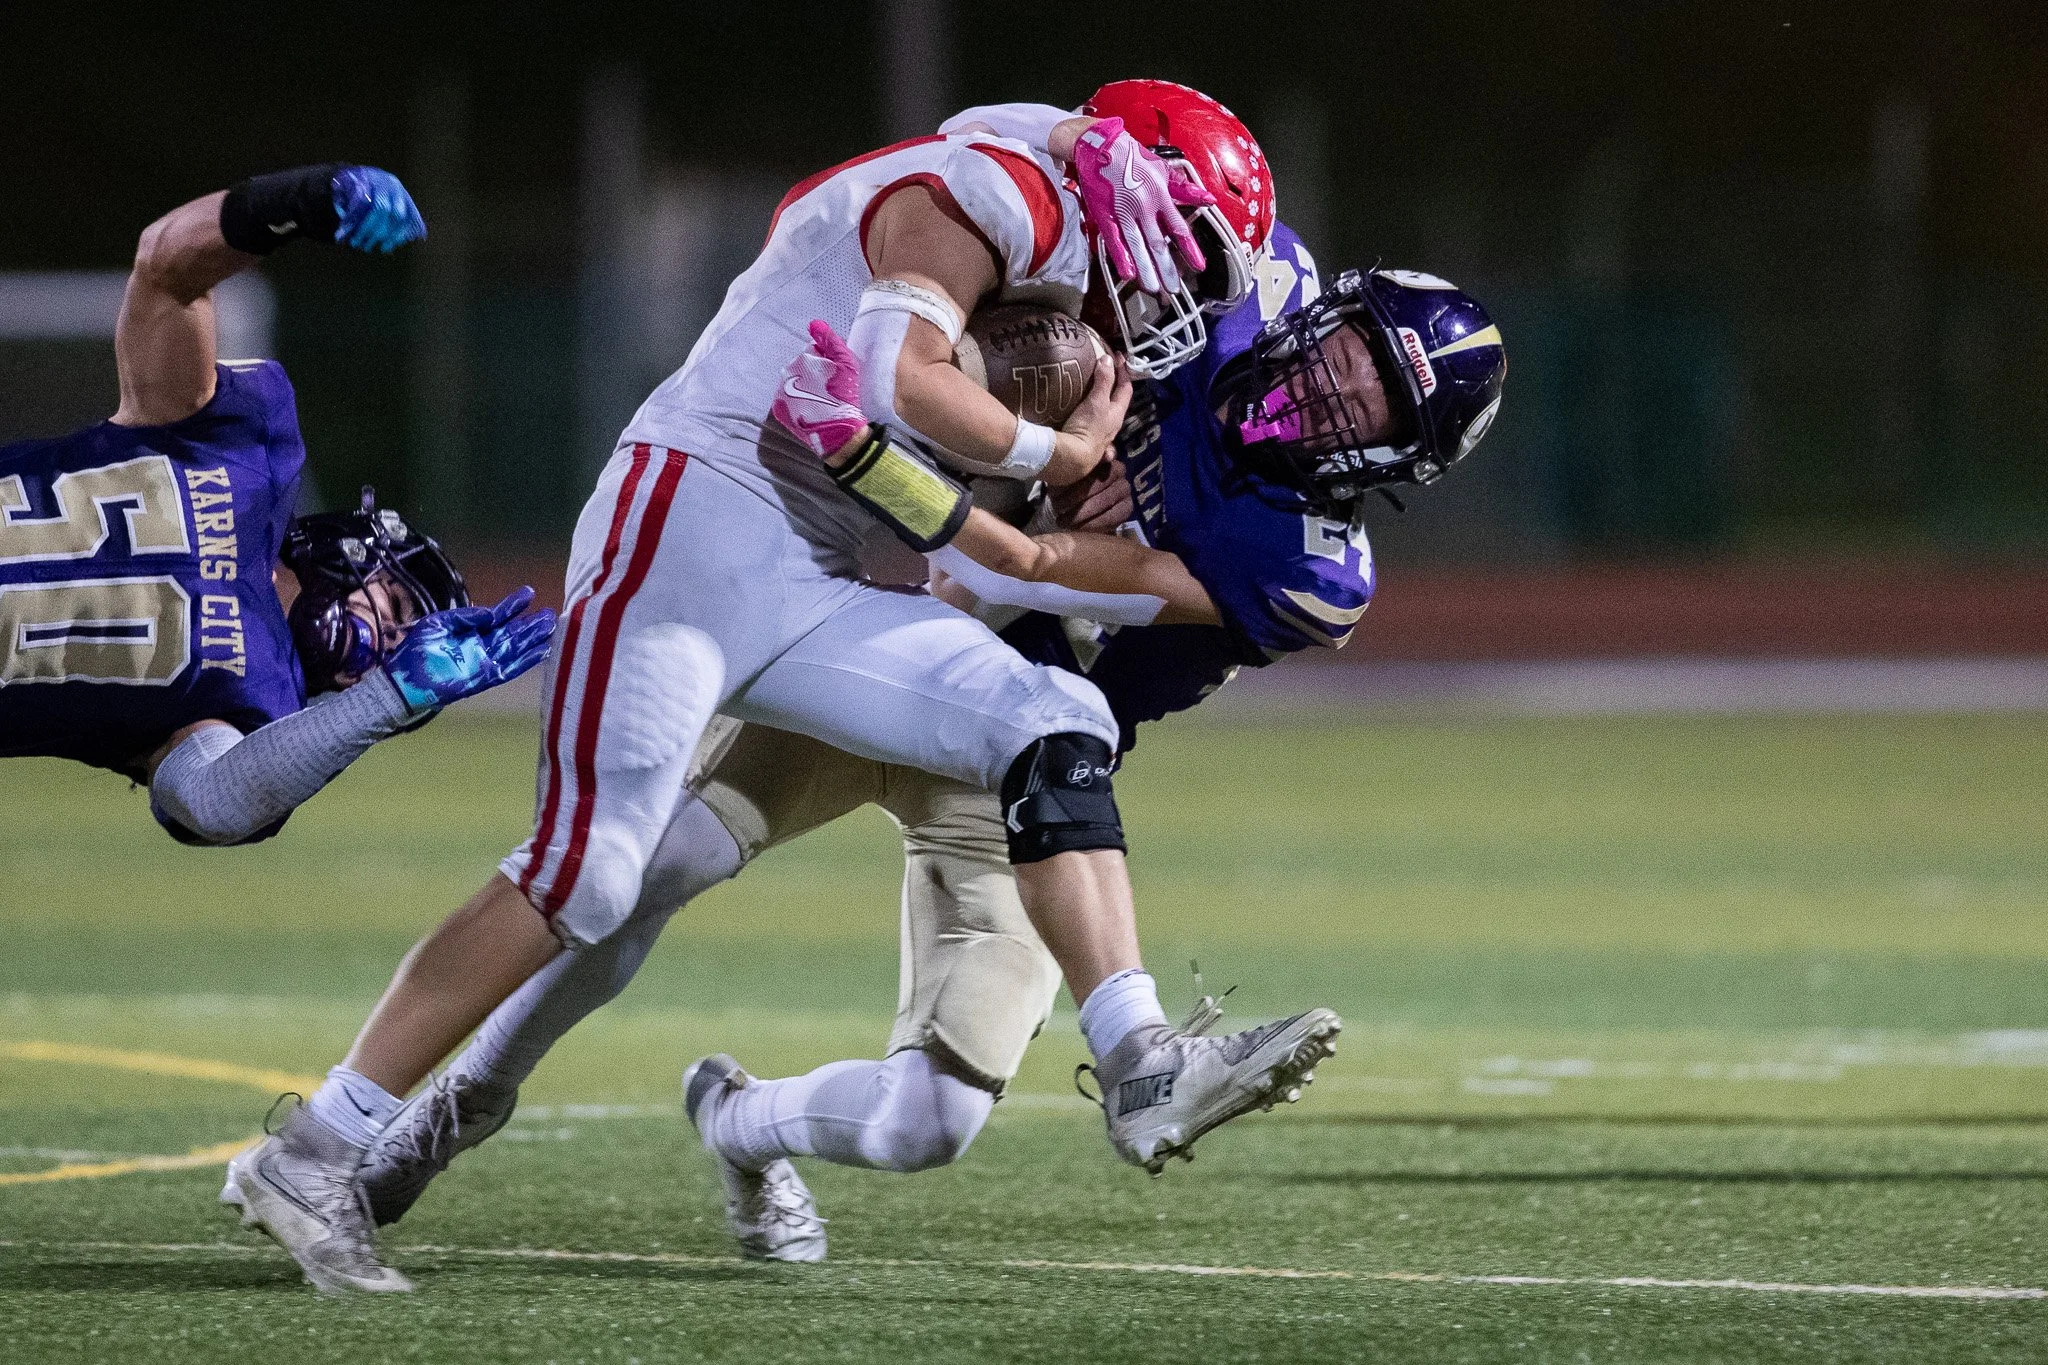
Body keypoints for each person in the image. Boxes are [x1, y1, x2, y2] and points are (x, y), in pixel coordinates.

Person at [225, 79, 1343, 1295]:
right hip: (695, 518)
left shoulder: (1053, 186)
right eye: (1169, 254)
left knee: (1053, 716)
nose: (1165, 297)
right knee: (588, 873)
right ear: (1119, 192)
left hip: (814, 566)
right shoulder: (994, 191)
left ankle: (1138, 1059)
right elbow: (888, 374)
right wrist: (1054, 453)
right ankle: (320, 1146)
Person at [355, 232, 1507, 1263]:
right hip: (886, 654)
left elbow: (1034, 570)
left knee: (932, 1122)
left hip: (1019, 763)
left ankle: (739, 1123)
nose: (1326, 394)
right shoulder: (1229, 276)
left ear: (1388, 465)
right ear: (1323, 313)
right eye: (1343, 357)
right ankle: (460, 1102)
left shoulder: (1307, 565)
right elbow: (1000, 307)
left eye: (1365, 409)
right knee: (649, 865)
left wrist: (976, 476)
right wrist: (1033, 429)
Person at [0, 165, 554, 847]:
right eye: (404, 612)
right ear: (356, 548)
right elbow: (165, 267)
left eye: (406, 654)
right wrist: (306, 199)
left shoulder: (260, 712)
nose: (389, 647)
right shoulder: (239, 448)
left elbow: (213, 800)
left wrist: (393, 698)